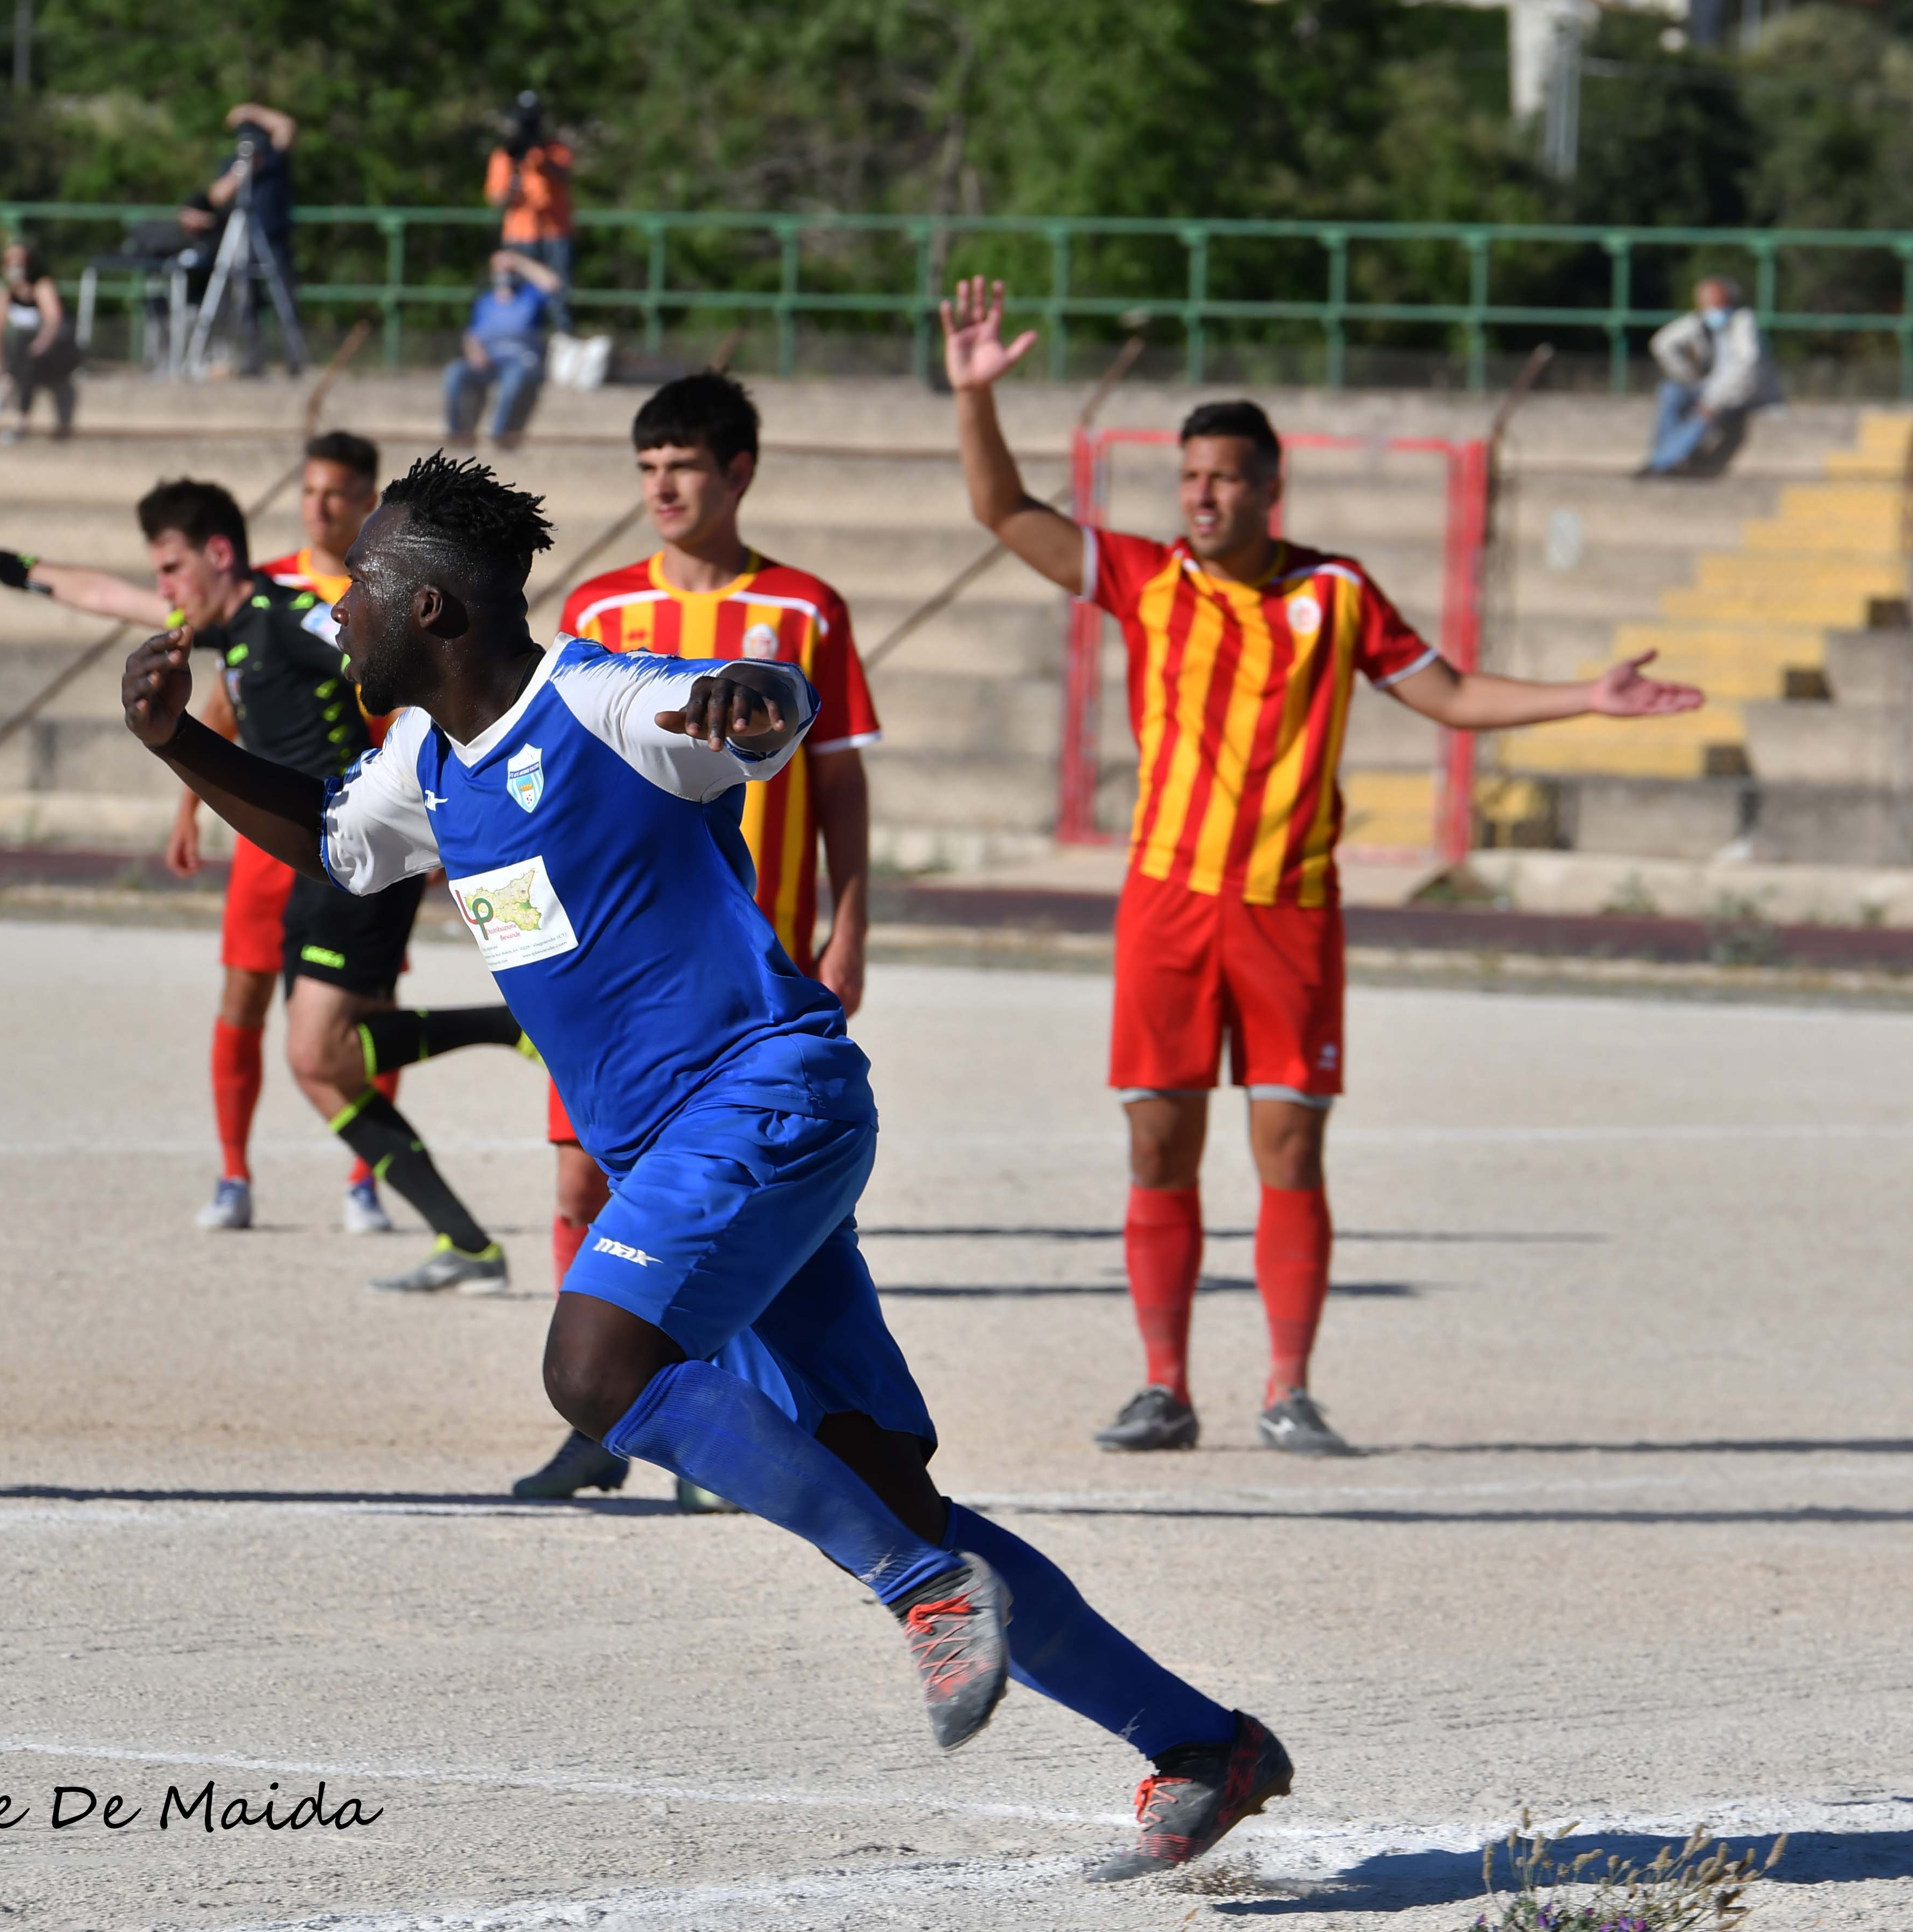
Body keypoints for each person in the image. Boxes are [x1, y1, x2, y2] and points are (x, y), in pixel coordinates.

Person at [119, 447, 1299, 1882]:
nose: (339, 607)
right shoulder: (427, 763)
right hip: (705, 1148)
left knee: (594, 1371)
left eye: (363, 581)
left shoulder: (603, 701)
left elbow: (734, 706)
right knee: (880, 1480)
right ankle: (1200, 1745)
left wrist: (763, 698)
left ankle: (926, 1597)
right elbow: (336, 844)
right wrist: (185, 745)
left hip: (765, 1097)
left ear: (431, 608)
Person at [942, 278, 1704, 1456]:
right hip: (1167, 902)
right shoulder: (1146, 579)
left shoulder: (1335, 593)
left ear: (1268, 487)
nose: (1202, 496)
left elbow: (1445, 695)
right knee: (1157, 1138)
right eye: (1189, 477)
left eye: (1226, 478)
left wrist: (1584, 699)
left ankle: (1287, 1388)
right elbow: (1002, 509)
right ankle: (1163, 1386)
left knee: (1289, 1144)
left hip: (1289, 910)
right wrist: (975, 398)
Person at [0, 479, 519, 1293]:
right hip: (318, 859)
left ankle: (509, 1036)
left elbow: (380, 648)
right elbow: (104, 595)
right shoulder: (228, 630)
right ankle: (469, 1240)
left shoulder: (284, 617)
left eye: (172, 570)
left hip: (360, 856)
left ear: (219, 554)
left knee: (319, 1054)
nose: (162, 592)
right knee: (320, 1065)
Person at [493, 372, 881, 1505]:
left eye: (684, 466)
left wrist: (850, 918)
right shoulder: (603, 613)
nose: (662, 486)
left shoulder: (804, 609)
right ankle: (601, 1422)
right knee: (581, 1167)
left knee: (732, 1192)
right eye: (647, 467)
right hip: (615, 969)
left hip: (756, 968)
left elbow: (840, 775)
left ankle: (717, 1428)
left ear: (737, 473)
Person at [160, 433, 419, 1238]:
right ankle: (234, 1173)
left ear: (369, 502)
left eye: (338, 494)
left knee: (365, 1009)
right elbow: (229, 701)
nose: (320, 507)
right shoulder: (263, 588)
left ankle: (365, 1180)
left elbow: (407, 713)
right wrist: (188, 808)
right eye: (311, 492)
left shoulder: (384, 595)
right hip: (270, 832)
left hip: (355, 834)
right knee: (243, 995)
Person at [1638, 276, 1781, 479]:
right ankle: (1661, 457)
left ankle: (1663, 463)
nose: (1710, 306)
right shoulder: (1699, 322)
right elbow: (1662, 343)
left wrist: (1713, 400)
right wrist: (1688, 373)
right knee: (1670, 391)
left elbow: (1746, 367)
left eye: (1715, 301)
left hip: (1739, 393)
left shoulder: (1743, 322)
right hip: (1708, 387)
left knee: (1704, 414)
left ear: (1728, 300)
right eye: (1705, 301)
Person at [206, 101, 302, 376]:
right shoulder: (234, 163)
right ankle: (253, 362)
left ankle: (294, 361)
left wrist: (250, 111)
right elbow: (217, 195)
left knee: (284, 299)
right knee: (246, 303)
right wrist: (243, 170)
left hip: (274, 238)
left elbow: (287, 127)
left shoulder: (275, 158)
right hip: (242, 240)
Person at [443, 252, 559, 447]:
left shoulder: (529, 297)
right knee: (455, 372)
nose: (505, 274)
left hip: (521, 361)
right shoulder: (486, 302)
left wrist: (518, 262)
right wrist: (475, 352)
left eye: (509, 270)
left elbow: (553, 283)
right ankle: (460, 434)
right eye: (500, 269)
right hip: (489, 361)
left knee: (517, 377)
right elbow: (472, 336)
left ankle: (502, 435)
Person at [484, 91, 574, 328]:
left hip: (555, 233)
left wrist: (541, 158)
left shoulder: (555, 150)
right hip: (519, 235)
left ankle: (561, 346)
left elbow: (564, 177)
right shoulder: (506, 154)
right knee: (514, 296)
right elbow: (496, 197)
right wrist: (513, 183)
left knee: (558, 296)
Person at [0, 239, 79, 442]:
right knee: (25, 361)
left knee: (26, 346)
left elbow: (53, 323)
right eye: (9, 260)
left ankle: (5, 396)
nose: (14, 265)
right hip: (26, 358)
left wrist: (37, 347)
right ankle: (17, 418)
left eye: (19, 260)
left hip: (58, 350)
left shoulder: (42, 286)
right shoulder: (5, 292)